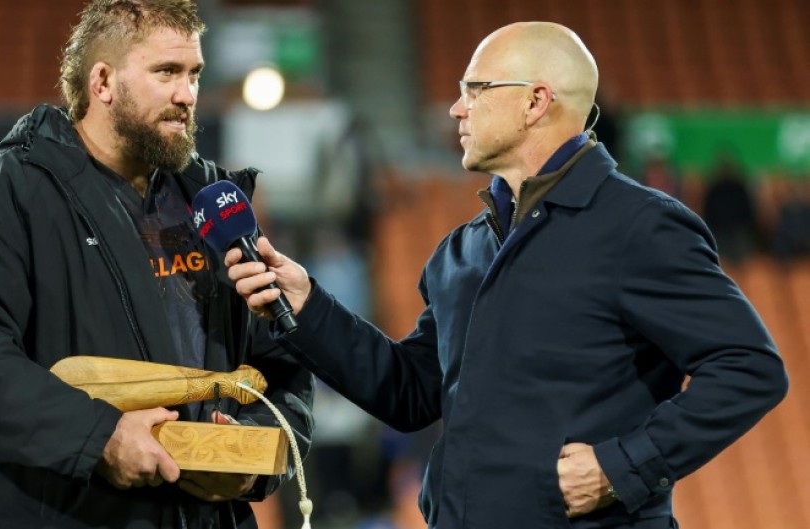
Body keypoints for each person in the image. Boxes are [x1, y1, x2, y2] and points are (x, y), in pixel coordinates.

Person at [225, 21, 789, 529]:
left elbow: (749, 367)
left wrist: (623, 467)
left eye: (476, 89)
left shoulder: (638, 227)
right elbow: (411, 392)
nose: (456, 108)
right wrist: (308, 306)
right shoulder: (464, 249)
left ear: (535, 102)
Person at [0, 1, 314, 528]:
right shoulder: (4, 200)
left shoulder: (214, 204)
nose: (187, 95)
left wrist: (255, 455)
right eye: (166, 72)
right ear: (102, 81)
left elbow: (281, 361)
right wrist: (97, 436)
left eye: (195, 74)